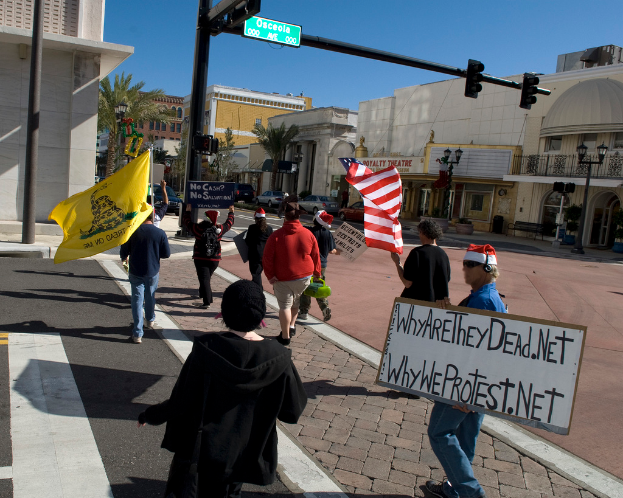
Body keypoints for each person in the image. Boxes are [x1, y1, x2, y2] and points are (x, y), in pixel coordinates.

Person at [137, 279, 307, 498]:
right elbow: (292, 412)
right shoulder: (279, 357)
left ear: (225, 312)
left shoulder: (206, 348)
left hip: (202, 449)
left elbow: (182, 400)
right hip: (245, 452)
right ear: (261, 314)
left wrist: (150, 415)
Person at [426, 244, 506, 498]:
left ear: (486, 269)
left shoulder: (483, 300)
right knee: (465, 437)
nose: (464, 269)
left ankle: (470, 492)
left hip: (465, 381)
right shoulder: (487, 297)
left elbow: (477, 349)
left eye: (469, 265)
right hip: (478, 382)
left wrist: (468, 391)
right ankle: (454, 489)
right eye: (464, 263)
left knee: (439, 432)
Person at [263, 196, 321, 346]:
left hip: (283, 277)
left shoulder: (276, 236)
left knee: (284, 306)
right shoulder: (308, 234)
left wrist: (270, 276)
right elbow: (316, 255)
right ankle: (292, 325)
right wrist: (317, 273)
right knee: (295, 302)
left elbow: (267, 258)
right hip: (304, 276)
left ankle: (285, 336)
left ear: (285, 216)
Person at [119, 211, 171, 344]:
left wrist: (125, 257)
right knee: (150, 296)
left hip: (136, 270)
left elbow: (124, 250)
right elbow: (166, 254)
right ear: (153, 217)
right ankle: (150, 319)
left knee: (137, 300)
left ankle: (137, 332)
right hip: (152, 269)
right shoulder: (160, 233)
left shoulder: (132, 231)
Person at [183, 204, 235, 309]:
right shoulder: (219, 229)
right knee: (206, 278)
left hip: (200, 258)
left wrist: (188, 211)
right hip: (214, 259)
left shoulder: (198, 228)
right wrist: (231, 212)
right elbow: (229, 223)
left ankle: (206, 302)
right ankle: (205, 295)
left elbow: (187, 222)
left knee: (204, 279)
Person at [391, 219, 451, 306]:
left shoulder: (417, 253)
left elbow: (407, 283)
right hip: (435, 306)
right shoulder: (444, 255)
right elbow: (446, 279)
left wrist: (397, 263)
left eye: (420, 232)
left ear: (423, 233)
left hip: (415, 304)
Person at [299, 210, 338, 322]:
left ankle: (304, 311)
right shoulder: (327, 233)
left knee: (305, 286)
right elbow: (332, 250)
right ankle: (324, 307)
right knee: (319, 286)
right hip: (322, 265)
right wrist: (337, 251)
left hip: (308, 263)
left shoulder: (308, 230)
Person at [245, 207, 273, 290]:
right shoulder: (269, 229)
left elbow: (247, 241)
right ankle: (256, 288)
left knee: (255, 274)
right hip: (265, 254)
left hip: (254, 255)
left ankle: (258, 290)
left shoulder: (252, 228)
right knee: (260, 273)